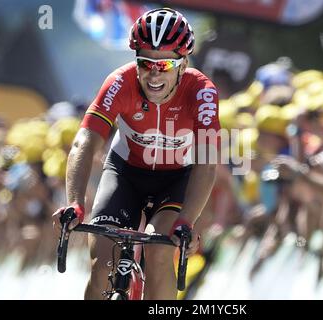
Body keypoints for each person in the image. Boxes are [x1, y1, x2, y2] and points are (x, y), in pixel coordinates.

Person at [52, 8, 220, 300]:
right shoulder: (120, 81)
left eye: (165, 64)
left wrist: (187, 221)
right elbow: (85, 141)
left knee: (157, 253)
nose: (154, 73)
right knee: (102, 265)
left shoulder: (201, 91)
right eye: (145, 62)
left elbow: (207, 164)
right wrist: (75, 203)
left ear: (183, 64)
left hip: (175, 180)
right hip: (124, 174)